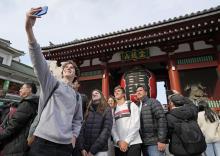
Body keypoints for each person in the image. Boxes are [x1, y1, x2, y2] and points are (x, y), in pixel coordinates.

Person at [25, 7, 83, 156]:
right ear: (62, 72)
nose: (69, 68)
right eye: (66, 67)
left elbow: (77, 120)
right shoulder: (52, 83)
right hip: (43, 142)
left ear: (75, 74)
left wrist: (74, 137)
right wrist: (29, 30)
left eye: (72, 68)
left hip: (65, 146)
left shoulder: (77, 97)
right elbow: (39, 61)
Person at [0, 82, 38, 156]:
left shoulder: (27, 104)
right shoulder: (31, 104)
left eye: (22, 88)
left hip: (15, 143)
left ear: (29, 89)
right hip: (20, 143)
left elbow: (14, 125)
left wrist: (1, 136)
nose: (20, 90)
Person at [77, 89, 113, 156]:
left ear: (101, 96)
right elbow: (82, 130)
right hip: (85, 151)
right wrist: (82, 148)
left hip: (100, 150)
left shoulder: (107, 109)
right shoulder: (88, 110)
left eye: (97, 93)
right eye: (93, 93)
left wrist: (93, 150)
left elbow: (106, 131)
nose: (94, 94)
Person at [136, 84, 167, 156]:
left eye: (140, 90)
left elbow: (161, 119)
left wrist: (161, 140)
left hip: (154, 142)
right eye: (137, 91)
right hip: (143, 142)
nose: (138, 92)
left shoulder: (153, 102)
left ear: (146, 92)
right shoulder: (136, 105)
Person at [112, 85, 142, 156]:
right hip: (118, 145)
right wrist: (118, 141)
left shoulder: (131, 105)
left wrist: (126, 141)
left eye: (118, 91)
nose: (116, 92)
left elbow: (136, 125)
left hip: (133, 143)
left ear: (123, 94)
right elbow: (113, 127)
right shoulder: (113, 110)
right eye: (115, 91)